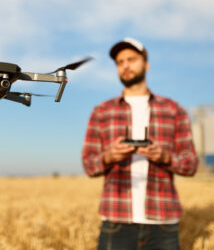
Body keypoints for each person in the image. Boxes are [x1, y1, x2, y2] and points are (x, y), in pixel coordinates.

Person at [82, 37, 198, 250]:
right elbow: (89, 165)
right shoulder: (101, 111)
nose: (125, 65)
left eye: (131, 59)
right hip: (115, 221)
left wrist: (164, 156)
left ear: (146, 63)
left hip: (163, 225)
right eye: (120, 62)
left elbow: (191, 164)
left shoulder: (174, 110)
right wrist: (109, 156)